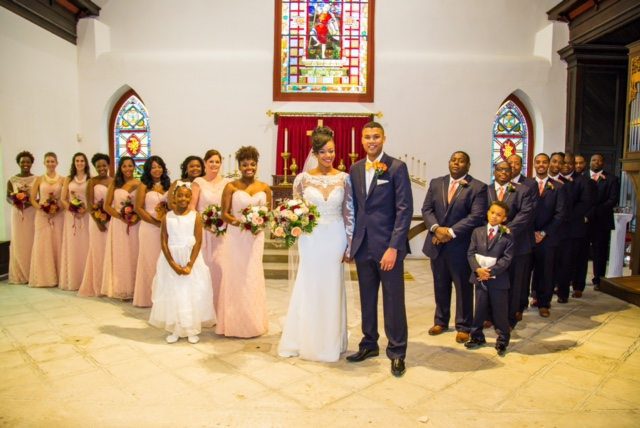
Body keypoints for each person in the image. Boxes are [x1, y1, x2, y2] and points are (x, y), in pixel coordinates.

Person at [278, 126, 354, 362]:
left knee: (332, 286)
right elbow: (295, 210)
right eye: (323, 152)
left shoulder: (344, 178)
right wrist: (291, 223)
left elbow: (349, 212)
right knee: (309, 284)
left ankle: (331, 341)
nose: (328, 155)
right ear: (315, 153)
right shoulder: (302, 180)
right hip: (311, 239)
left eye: (331, 151)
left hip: (336, 237)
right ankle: (305, 339)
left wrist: (350, 244)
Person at [346, 122, 412, 378]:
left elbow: (404, 210)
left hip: (387, 247)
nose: (371, 141)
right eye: (367, 137)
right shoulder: (355, 168)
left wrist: (394, 247)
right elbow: (354, 208)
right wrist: (351, 244)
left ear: (384, 138)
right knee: (367, 298)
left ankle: (397, 351)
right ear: (361, 140)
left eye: (376, 136)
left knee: (393, 300)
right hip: (363, 246)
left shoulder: (396, 167)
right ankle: (369, 343)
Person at [422, 151, 487, 343]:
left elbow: (476, 216)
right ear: (449, 163)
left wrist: (449, 232)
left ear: (468, 165)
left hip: (461, 245)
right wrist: (436, 229)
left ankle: (464, 326)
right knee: (440, 284)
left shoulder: (478, 187)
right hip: (437, 245)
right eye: (453, 160)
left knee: (463, 287)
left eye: (461, 161)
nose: (456, 163)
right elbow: (427, 209)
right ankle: (441, 321)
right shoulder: (436, 183)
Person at [215, 146, 272, 338]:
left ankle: (254, 322)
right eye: (245, 164)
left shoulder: (265, 188)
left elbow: (268, 213)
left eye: (252, 164)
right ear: (239, 166)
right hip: (236, 237)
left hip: (256, 238)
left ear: (257, 165)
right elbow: (224, 214)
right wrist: (242, 223)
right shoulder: (231, 187)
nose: (249, 168)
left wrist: (258, 223)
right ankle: (233, 323)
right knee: (236, 277)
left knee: (252, 276)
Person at [149, 183, 216, 344]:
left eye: (187, 195)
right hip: (171, 260)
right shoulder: (167, 217)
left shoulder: (195, 216)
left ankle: (191, 328)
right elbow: (163, 241)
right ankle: (176, 328)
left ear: (191, 198)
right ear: (174, 197)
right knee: (174, 293)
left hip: (190, 259)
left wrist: (190, 265)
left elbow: (198, 241)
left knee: (191, 293)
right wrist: (173, 264)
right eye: (180, 195)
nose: (183, 198)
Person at [487, 161, 535, 328]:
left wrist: (504, 230)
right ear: (494, 171)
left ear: (512, 172)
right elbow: (479, 213)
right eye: (499, 169)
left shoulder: (523, 191)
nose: (503, 172)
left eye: (507, 170)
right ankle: (489, 315)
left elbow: (525, 214)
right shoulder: (486, 190)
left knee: (514, 283)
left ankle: (509, 319)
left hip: (516, 244)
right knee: (490, 280)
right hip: (490, 245)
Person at [465, 201, 514, 356]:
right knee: (479, 308)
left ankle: (503, 339)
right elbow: (470, 253)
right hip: (480, 278)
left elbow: (506, 259)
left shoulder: (507, 235)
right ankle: (477, 336)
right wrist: (477, 269)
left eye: (499, 215)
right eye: (492, 212)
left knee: (500, 311)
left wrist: (490, 271)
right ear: (487, 213)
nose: (494, 216)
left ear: (504, 218)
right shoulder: (477, 232)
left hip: (498, 280)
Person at [191, 149, 229, 311]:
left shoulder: (227, 183)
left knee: (221, 267)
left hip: (222, 231)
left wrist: (223, 221)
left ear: (221, 164)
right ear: (205, 163)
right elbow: (192, 208)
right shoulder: (198, 182)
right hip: (203, 230)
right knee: (204, 267)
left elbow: (229, 207)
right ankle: (203, 308)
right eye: (211, 161)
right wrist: (204, 222)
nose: (214, 164)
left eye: (217, 162)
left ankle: (220, 306)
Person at [530, 153, 566, 317]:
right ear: (534, 164)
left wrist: (543, 232)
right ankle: (522, 303)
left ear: (549, 164)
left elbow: (560, 213)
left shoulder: (558, 187)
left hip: (548, 236)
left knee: (546, 271)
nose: (541, 165)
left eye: (545, 162)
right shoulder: (527, 185)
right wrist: (531, 231)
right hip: (528, 235)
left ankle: (544, 303)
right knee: (525, 271)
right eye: (538, 162)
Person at [133, 156, 171, 307]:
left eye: (159, 166)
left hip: (165, 228)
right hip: (149, 228)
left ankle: (163, 297)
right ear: (148, 169)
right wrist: (155, 222)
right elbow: (138, 208)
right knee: (149, 261)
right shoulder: (144, 186)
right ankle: (148, 297)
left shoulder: (168, 185)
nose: (157, 170)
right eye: (153, 167)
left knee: (163, 261)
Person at [101, 156, 141, 299]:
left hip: (135, 224)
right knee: (121, 254)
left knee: (134, 253)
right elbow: (106, 206)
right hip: (119, 223)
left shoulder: (139, 183)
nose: (127, 168)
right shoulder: (115, 184)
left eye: (130, 165)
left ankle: (136, 288)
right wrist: (121, 217)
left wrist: (135, 217)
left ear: (134, 167)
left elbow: (141, 205)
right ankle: (122, 288)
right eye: (124, 166)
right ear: (120, 168)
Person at [558, 152, 592, 300]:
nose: (566, 166)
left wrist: (565, 215)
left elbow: (584, 203)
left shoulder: (583, 181)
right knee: (556, 261)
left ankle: (564, 293)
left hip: (572, 227)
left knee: (570, 261)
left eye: (569, 163)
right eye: (563, 162)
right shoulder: (555, 180)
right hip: (556, 227)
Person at [78, 153, 113, 297]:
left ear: (108, 165)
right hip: (96, 222)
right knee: (98, 252)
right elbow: (89, 204)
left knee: (110, 252)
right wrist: (98, 221)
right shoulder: (92, 182)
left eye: (104, 165)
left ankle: (109, 285)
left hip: (111, 221)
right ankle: (98, 286)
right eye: (98, 166)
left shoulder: (113, 180)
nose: (102, 168)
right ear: (95, 167)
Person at [29, 152, 65, 287]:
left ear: (57, 163)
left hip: (58, 215)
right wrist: (42, 208)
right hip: (42, 216)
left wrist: (57, 209)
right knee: (43, 245)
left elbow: (64, 198)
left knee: (57, 243)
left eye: (52, 161)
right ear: (44, 163)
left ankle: (60, 276)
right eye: (48, 161)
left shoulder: (63, 179)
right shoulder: (39, 179)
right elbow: (32, 198)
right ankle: (44, 278)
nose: (50, 163)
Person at [59, 152, 91, 291]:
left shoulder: (90, 179)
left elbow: (92, 199)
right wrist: (73, 209)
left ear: (86, 163)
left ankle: (86, 278)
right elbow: (63, 199)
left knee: (86, 245)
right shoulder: (68, 179)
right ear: (74, 163)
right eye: (77, 161)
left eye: (82, 161)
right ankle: (73, 279)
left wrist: (85, 210)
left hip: (87, 215)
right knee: (73, 246)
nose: (79, 163)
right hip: (71, 216)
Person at [587, 153, 619, 289]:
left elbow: (613, 199)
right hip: (583, 220)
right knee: (578, 251)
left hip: (601, 221)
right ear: (590, 162)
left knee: (600, 252)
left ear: (603, 163)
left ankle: (598, 280)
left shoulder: (612, 179)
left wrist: (595, 211)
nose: (596, 162)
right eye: (594, 160)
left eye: (599, 161)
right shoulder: (582, 178)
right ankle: (575, 280)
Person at [6, 151, 37, 284]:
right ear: (18, 163)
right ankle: (20, 274)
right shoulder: (12, 180)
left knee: (32, 241)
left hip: (32, 212)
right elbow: (8, 197)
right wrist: (16, 201)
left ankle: (33, 272)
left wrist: (29, 202)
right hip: (18, 213)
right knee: (18, 242)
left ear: (31, 163)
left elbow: (39, 197)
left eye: (28, 162)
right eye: (23, 161)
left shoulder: (36, 179)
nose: (25, 164)